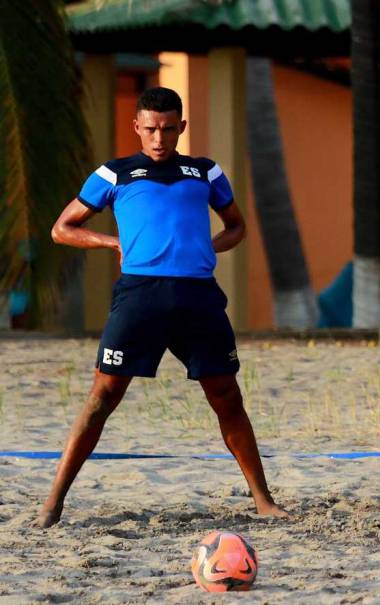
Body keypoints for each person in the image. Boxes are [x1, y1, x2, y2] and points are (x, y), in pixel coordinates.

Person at [35, 87, 286, 528]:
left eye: (168, 129)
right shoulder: (114, 174)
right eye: (150, 129)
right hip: (139, 297)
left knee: (228, 398)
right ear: (137, 127)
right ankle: (51, 505)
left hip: (198, 298)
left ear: (181, 127)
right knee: (102, 399)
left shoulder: (205, 172)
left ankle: (263, 500)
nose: (158, 138)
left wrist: (205, 248)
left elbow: (237, 227)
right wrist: (111, 240)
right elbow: (62, 229)